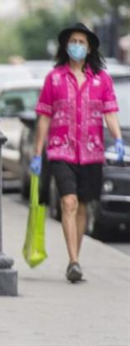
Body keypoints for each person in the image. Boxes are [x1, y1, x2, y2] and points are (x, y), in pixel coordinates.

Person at [31, 23, 125, 283]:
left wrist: (117, 138)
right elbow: (43, 117)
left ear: (90, 47)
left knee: (83, 205)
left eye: (82, 42)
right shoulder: (55, 78)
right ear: (65, 45)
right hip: (61, 150)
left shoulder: (101, 79)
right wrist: (38, 153)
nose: (77, 46)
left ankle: (76, 258)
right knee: (68, 202)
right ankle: (73, 260)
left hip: (92, 153)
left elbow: (110, 112)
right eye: (73, 41)